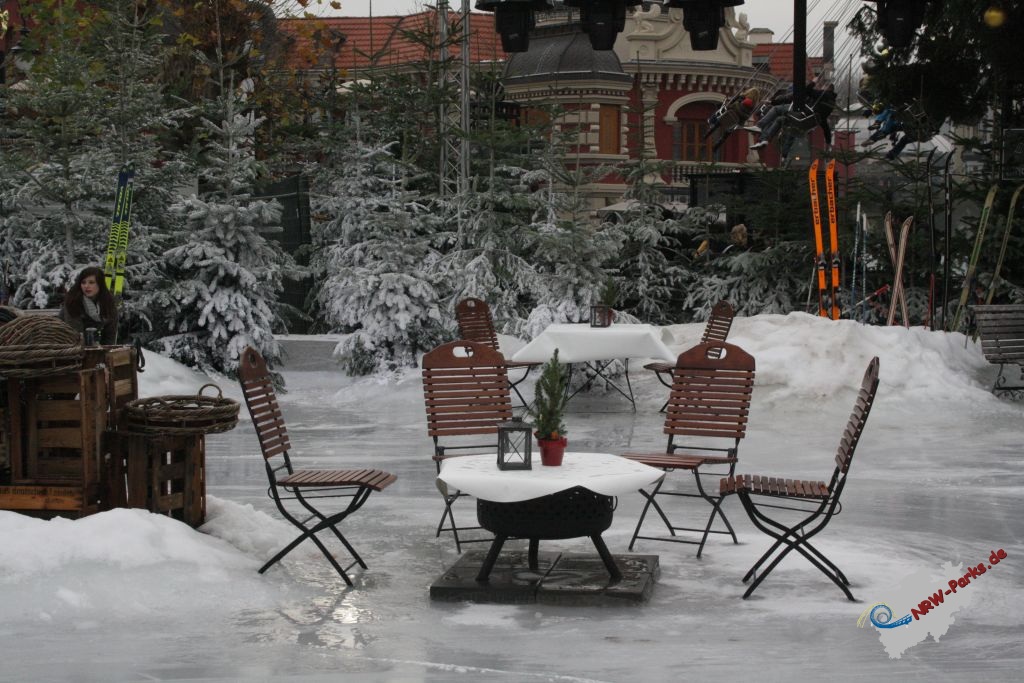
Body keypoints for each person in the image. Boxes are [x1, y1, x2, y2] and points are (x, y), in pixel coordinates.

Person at [59, 266, 118, 345]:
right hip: (69, 347)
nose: (86, 286)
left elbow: (110, 335)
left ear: (100, 284)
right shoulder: (73, 302)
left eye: (91, 282)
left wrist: (106, 352)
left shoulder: (108, 303)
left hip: (96, 348)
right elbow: (75, 334)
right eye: (83, 282)